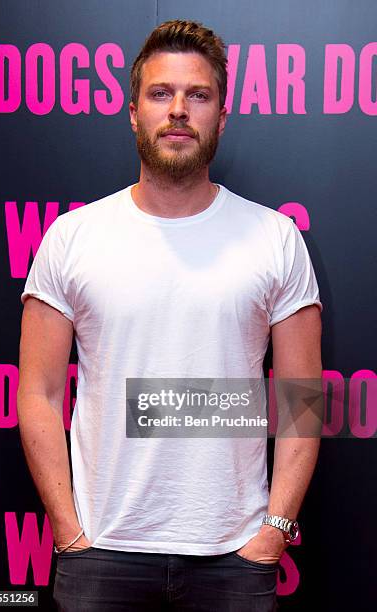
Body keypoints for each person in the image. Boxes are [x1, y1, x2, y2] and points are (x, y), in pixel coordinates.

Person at [17, 19, 323, 612]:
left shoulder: (275, 238)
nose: (178, 109)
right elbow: (39, 392)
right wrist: (69, 534)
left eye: (198, 95)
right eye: (161, 93)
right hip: (102, 555)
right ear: (133, 112)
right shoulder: (73, 237)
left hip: (236, 557)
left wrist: (274, 532)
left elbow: (301, 397)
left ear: (222, 116)